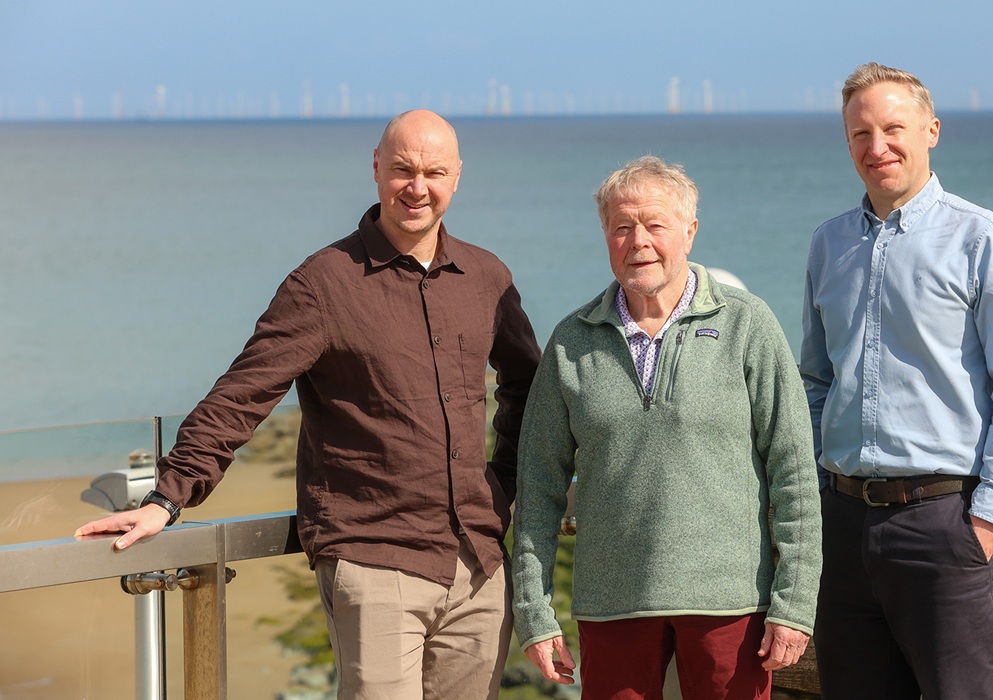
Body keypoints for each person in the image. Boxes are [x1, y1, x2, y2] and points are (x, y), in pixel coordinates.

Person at [75, 110, 542, 700]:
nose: (417, 187)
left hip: (477, 565)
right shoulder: (323, 283)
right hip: (374, 562)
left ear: (457, 178)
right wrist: (168, 498)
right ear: (376, 170)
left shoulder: (486, 277)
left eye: (434, 172)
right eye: (402, 170)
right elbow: (243, 395)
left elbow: (531, 389)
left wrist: (501, 485)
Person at [512, 156, 822, 699]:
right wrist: (534, 613)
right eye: (622, 227)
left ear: (689, 231)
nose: (639, 242)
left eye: (655, 225)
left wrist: (794, 605)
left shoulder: (748, 325)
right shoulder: (571, 341)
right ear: (606, 236)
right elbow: (538, 486)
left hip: (732, 604)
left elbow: (794, 472)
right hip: (612, 605)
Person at [799, 62, 993, 699]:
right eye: (860, 133)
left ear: (932, 130)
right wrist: (814, 495)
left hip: (946, 524)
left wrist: (988, 517)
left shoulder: (983, 239)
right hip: (843, 529)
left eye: (893, 128)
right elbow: (815, 381)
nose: (876, 146)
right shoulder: (827, 245)